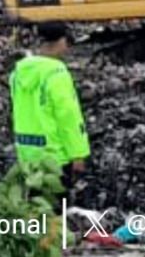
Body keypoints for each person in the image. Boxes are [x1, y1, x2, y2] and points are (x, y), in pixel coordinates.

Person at [9, 23, 90, 194]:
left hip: (26, 152)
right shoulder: (57, 73)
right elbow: (68, 116)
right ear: (61, 41)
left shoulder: (18, 73)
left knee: (35, 208)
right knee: (56, 212)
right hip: (54, 155)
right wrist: (78, 154)